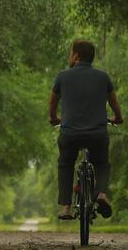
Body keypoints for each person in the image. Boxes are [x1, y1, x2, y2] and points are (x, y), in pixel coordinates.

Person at [48, 39, 123, 220]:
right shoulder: (103, 77)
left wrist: (53, 118)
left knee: (66, 163)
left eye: (70, 52)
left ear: (76, 56)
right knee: (102, 162)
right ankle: (102, 194)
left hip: (70, 134)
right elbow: (114, 102)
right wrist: (118, 118)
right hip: (97, 133)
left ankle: (66, 207)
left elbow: (52, 102)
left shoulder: (62, 76)